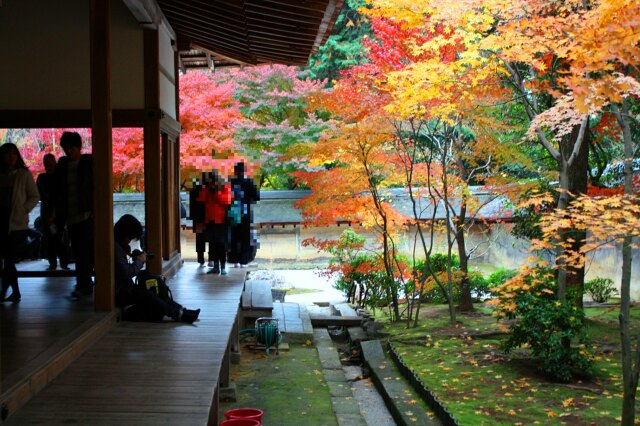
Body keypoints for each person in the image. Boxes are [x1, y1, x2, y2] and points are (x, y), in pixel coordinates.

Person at [114, 214, 200, 323]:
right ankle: (180, 314)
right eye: (130, 238)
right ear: (124, 234)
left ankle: (182, 311)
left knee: (156, 283)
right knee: (148, 293)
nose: (130, 241)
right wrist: (140, 261)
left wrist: (134, 256)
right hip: (120, 291)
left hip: (126, 288)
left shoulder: (119, 246)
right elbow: (126, 272)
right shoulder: (115, 248)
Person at [54, 131, 94, 300]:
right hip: (69, 215)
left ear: (78, 147)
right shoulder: (62, 164)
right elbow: (57, 190)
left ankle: (84, 284)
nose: (68, 151)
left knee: (85, 252)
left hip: (86, 214)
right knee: (77, 252)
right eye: (66, 148)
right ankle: (83, 284)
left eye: (71, 147)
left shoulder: (88, 162)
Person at [0, 143, 40, 303]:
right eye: (7, 154)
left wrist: (24, 209)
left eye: (13, 154)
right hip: (2, 220)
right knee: (7, 259)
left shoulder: (23, 175)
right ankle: (13, 292)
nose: (11, 157)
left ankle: (7, 291)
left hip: (16, 223)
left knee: (8, 258)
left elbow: (34, 195)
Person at [36, 153, 69, 270]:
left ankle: (59, 263)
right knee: (52, 239)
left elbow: (52, 197)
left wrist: (52, 214)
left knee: (58, 238)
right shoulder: (45, 178)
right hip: (50, 212)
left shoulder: (54, 179)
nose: (48, 166)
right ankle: (56, 263)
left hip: (55, 212)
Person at [197, 170, 231, 275]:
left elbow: (227, 201)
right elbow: (201, 199)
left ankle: (223, 266)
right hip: (210, 220)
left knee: (221, 244)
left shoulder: (225, 188)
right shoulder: (207, 188)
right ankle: (216, 267)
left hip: (221, 220)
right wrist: (206, 188)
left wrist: (216, 192)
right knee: (212, 244)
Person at [227, 162, 260, 267]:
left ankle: (234, 260)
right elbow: (256, 197)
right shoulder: (249, 182)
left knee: (234, 237)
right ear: (244, 171)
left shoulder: (230, 183)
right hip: (245, 214)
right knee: (245, 238)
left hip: (232, 214)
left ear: (235, 171)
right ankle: (244, 261)